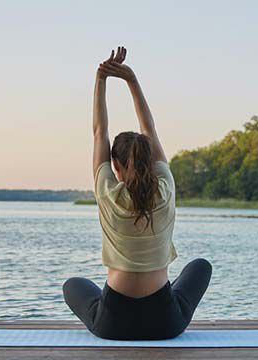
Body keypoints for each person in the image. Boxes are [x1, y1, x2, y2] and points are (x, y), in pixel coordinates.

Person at [62, 46, 212, 340]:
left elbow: (98, 132)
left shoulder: (108, 193)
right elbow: (149, 128)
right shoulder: (166, 189)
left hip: (112, 325)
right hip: (164, 323)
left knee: (73, 285)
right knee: (200, 267)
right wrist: (131, 80)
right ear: (150, 162)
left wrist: (101, 78)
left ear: (114, 165)